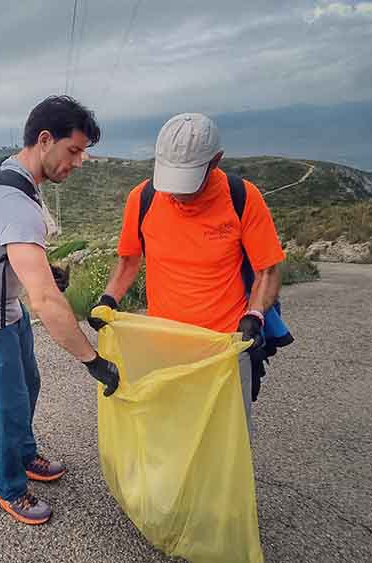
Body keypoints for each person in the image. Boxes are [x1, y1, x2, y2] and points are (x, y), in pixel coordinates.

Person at [0, 96, 120, 526]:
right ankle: (9, 489)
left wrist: (41, 269)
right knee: (9, 406)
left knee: (29, 385)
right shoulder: (18, 204)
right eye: (74, 150)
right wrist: (92, 359)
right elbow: (44, 300)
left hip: (4, 309)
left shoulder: (12, 174)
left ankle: (24, 456)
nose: (79, 162)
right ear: (46, 140)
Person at [93, 113, 285, 432]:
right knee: (170, 434)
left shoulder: (243, 198)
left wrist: (254, 314)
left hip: (225, 347)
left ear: (216, 161)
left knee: (225, 438)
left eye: (188, 181)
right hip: (164, 346)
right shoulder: (143, 198)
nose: (177, 194)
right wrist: (108, 299)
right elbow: (129, 261)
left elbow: (267, 270)